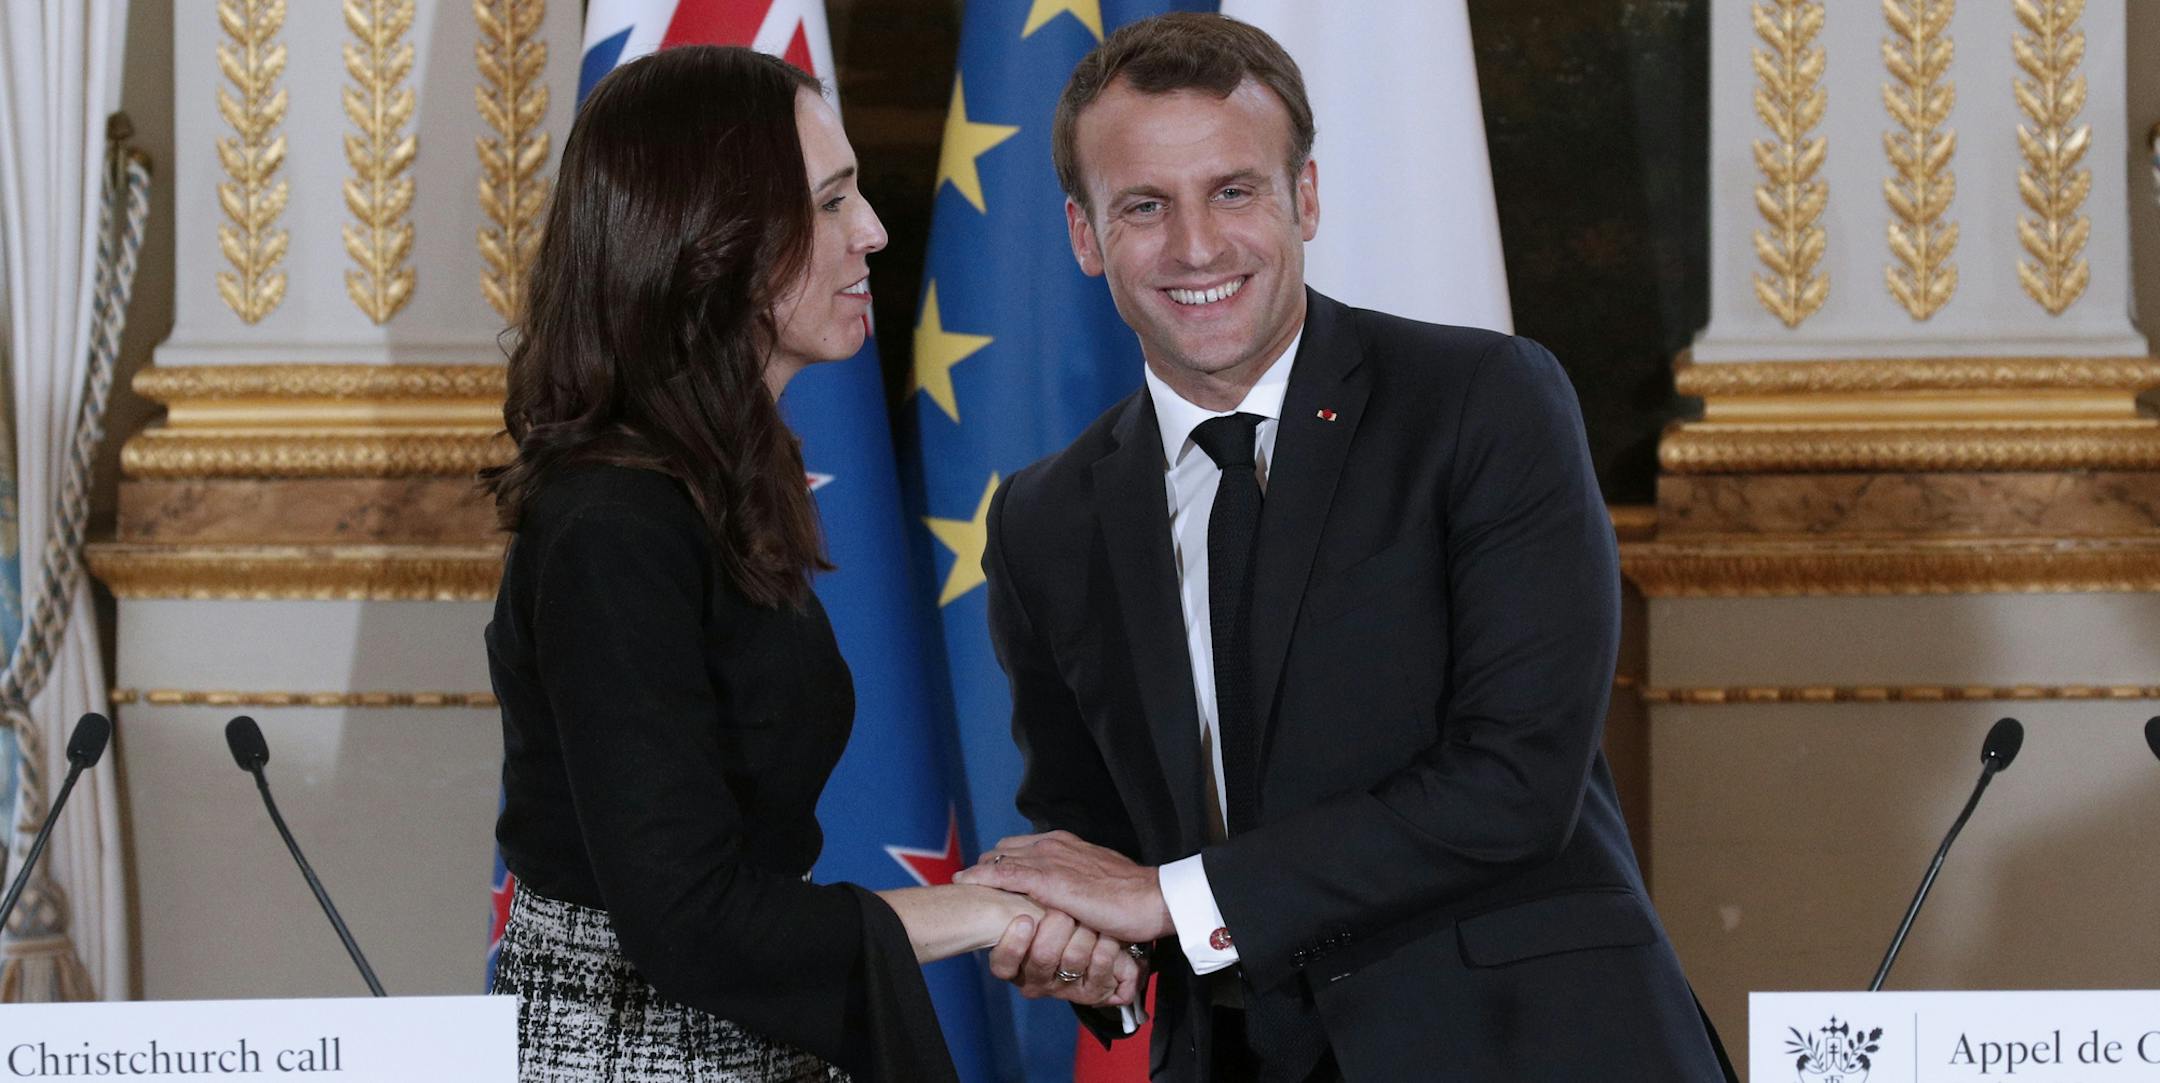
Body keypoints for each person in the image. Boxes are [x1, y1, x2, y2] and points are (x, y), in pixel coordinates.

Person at [954, 14, 1733, 1082]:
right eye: (1144, 206)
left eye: (1235, 191)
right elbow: (1095, 841)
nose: (1196, 246)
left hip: (1529, 1046)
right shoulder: (1045, 519)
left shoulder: (1483, 402)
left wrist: (1169, 900)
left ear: (1304, 199)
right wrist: (1090, 947)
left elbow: (1514, 781)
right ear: (1086, 238)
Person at [481, 46, 1138, 1083]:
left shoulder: (710, 487)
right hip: (633, 1053)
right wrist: (986, 911)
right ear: (712, 239)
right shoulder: (613, 526)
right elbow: (687, 916)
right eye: (830, 203)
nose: (872, 232)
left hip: (740, 1035)